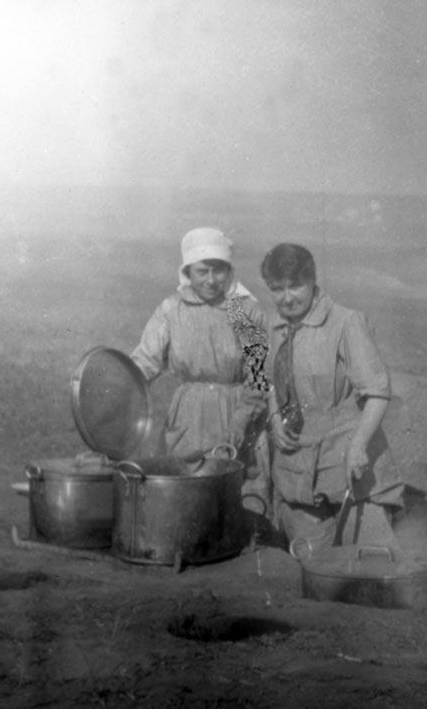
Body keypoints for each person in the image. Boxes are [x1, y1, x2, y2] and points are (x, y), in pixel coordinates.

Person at [260, 243, 404, 554]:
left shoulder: (345, 322)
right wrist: (274, 416)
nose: (287, 297)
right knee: (312, 567)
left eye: (295, 286)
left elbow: (377, 392)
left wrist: (358, 445)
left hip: (349, 458)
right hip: (297, 466)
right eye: (277, 289)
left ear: (312, 281)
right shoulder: (273, 327)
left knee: (369, 564)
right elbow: (269, 380)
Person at [130, 227, 269, 491]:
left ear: (229, 271)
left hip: (237, 413)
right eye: (202, 272)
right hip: (188, 418)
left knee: (238, 492)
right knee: (185, 492)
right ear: (187, 272)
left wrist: (241, 421)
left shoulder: (246, 311)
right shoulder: (172, 310)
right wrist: (118, 386)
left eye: (218, 270)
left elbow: (259, 379)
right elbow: (145, 360)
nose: (211, 280)